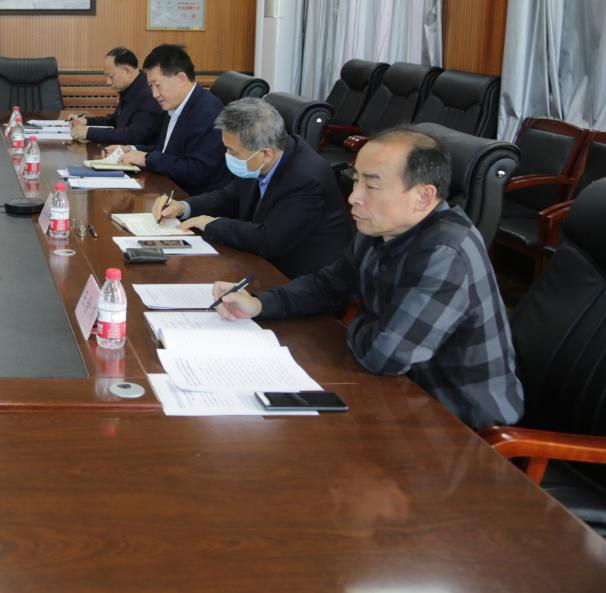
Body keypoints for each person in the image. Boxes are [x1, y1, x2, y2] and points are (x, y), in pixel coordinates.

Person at [213, 128, 524, 429]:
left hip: (460, 422)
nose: (354, 198)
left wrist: (359, 319)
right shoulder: (380, 228)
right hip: (398, 391)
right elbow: (327, 287)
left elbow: (383, 355)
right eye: (356, 181)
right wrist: (259, 304)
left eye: (371, 187)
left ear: (423, 197)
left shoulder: (445, 252)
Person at [150, 98, 353, 279]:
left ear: (266, 154)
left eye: (232, 151)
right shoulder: (259, 160)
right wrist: (183, 207)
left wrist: (211, 224)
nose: (226, 156)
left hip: (299, 278)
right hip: (260, 261)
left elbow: (269, 240)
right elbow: (228, 197)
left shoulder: (306, 178)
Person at [102, 43, 226, 195]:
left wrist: (147, 159)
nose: (154, 94)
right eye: (151, 86)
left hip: (191, 199)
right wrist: (132, 149)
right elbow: (166, 151)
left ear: (181, 79)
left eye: (157, 85)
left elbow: (197, 171)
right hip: (168, 190)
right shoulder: (176, 105)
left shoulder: (208, 111)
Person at [67, 46, 163, 146]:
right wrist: (86, 121)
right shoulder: (129, 88)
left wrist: (89, 132)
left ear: (126, 71)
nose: (108, 82)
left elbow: (133, 135)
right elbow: (115, 120)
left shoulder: (149, 93)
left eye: (111, 76)